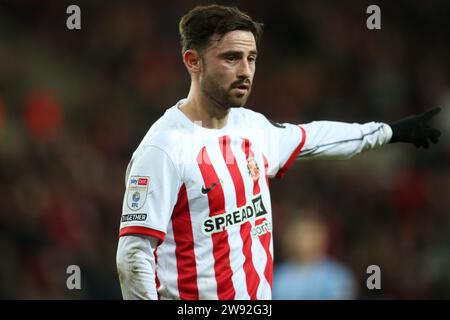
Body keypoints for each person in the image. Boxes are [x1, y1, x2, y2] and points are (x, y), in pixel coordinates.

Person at [115, 4, 441, 300]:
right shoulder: (163, 148)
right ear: (193, 61)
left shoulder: (253, 128)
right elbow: (133, 255)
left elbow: (316, 136)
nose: (245, 70)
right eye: (231, 58)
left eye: (251, 58)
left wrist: (391, 132)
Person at [273, 213, 356, 300]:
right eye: (299, 233)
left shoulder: (337, 275)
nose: (304, 239)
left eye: (310, 233)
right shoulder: (279, 276)